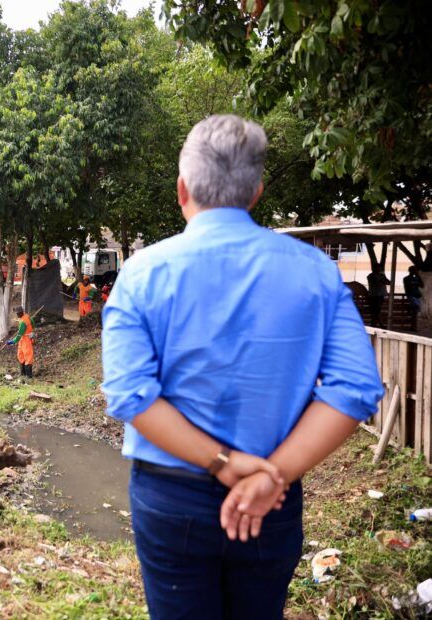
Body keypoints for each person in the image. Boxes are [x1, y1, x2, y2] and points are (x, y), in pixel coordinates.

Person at [102, 114, 383, 620]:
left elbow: (130, 396)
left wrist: (222, 464)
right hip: (270, 501)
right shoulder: (316, 270)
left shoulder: (142, 273)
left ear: (182, 189)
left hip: (172, 500)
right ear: (256, 192)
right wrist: (271, 475)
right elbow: (356, 388)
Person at [7, 305, 34, 378]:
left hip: (26, 340)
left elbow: (19, 335)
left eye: (17, 313)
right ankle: (23, 374)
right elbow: (33, 323)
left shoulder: (23, 322)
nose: (17, 315)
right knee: (20, 355)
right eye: (16, 313)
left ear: (21, 312)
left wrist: (12, 341)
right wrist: (31, 331)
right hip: (23, 339)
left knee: (28, 356)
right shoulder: (27, 316)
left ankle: (29, 376)